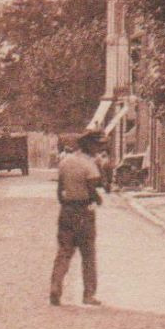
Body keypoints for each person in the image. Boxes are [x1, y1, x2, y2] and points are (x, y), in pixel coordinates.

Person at [50, 130, 105, 307]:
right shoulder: (89, 165)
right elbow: (92, 189)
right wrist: (98, 199)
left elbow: (59, 191)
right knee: (88, 254)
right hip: (83, 211)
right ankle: (88, 294)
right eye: (97, 144)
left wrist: (66, 202)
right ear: (88, 145)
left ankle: (55, 287)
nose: (99, 148)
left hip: (66, 210)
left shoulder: (65, 162)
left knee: (64, 252)